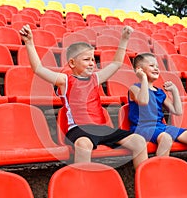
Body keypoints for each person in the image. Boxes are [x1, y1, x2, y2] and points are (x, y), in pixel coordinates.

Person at [19, 24, 148, 169]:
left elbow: (116, 64)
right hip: (78, 129)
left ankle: (144, 183)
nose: (92, 63)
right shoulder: (65, 80)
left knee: (139, 141)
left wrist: (124, 39)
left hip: (101, 128)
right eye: (87, 60)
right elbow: (38, 68)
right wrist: (29, 42)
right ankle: (83, 185)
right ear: (72, 63)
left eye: (93, 60)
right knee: (83, 144)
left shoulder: (96, 78)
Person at [128, 52, 187, 170]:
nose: (156, 68)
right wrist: (143, 79)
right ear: (139, 69)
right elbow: (143, 101)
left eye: (157, 66)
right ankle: (159, 174)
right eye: (151, 65)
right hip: (142, 127)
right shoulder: (134, 88)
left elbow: (177, 111)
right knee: (166, 138)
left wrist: (175, 91)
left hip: (159, 126)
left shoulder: (159, 92)